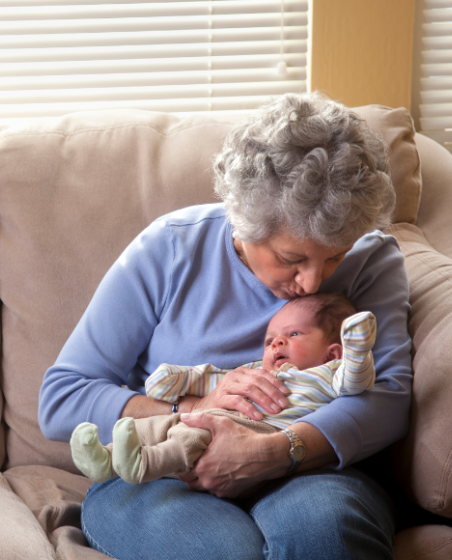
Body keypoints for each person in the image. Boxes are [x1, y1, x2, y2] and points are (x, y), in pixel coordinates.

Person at [38, 92, 412, 560]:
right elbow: (62, 396)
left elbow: (389, 396)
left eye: (334, 256)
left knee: (326, 533)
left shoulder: (372, 258)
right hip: (162, 472)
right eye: (291, 258)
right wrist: (194, 406)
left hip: (308, 468)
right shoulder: (171, 248)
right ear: (243, 223)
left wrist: (275, 451)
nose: (314, 281)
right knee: (225, 552)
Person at [70, 293, 376, 485]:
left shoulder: (327, 373)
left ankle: (144, 463)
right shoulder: (255, 371)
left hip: (258, 432)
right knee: (158, 425)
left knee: (194, 435)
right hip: (211, 416)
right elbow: (209, 378)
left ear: (333, 353)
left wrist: (358, 348)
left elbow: (356, 381)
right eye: (270, 340)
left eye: (294, 334)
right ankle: (105, 457)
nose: (277, 343)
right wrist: (172, 379)